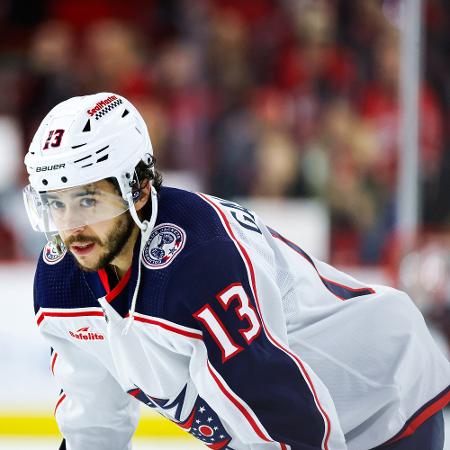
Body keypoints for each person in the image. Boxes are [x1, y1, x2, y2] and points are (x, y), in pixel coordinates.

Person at [23, 92, 449, 450]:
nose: (70, 225)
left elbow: (286, 420)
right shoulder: (62, 281)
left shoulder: (199, 263)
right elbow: (94, 422)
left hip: (382, 394)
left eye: (88, 200)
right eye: (56, 202)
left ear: (139, 187)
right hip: (303, 415)